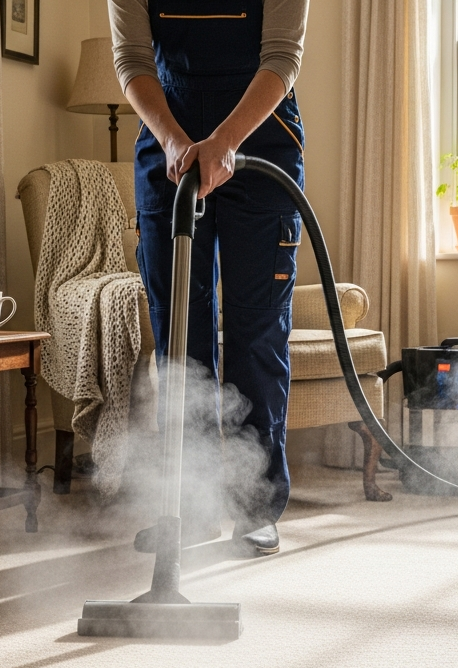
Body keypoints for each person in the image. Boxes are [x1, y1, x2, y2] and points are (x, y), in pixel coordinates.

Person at [110, 0, 309, 555]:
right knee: (178, 333)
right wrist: (175, 140)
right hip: (166, 135)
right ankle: (187, 508)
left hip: (261, 134)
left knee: (256, 326)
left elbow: (282, 57)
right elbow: (132, 60)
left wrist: (225, 141)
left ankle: (254, 509)